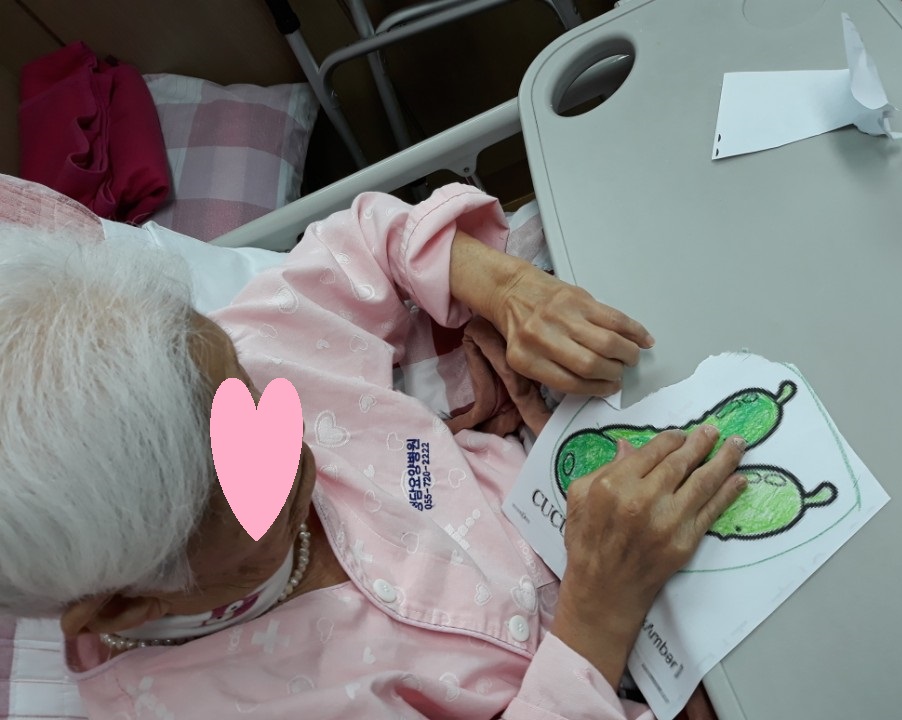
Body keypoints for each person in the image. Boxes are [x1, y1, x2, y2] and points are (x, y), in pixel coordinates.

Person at [0, 184, 746, 719]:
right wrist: (596, 619)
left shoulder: (251, 351)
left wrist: (508, 290)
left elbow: (364, 241)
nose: (289, 436)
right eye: (250, 476)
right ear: (127, 604)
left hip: (618, 494)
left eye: (249, 391)